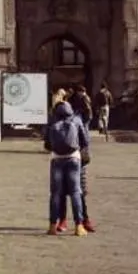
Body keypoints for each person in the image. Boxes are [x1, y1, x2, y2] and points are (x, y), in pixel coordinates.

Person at [44, 94, 91, 234]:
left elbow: (47, 144)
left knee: (56, 193)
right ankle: (78, 226)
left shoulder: (52, 121)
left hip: (57, 159)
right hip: (74, 159)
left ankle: (53, 226)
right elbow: (85, 141)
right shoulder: (76, 119)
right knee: (76, 192)